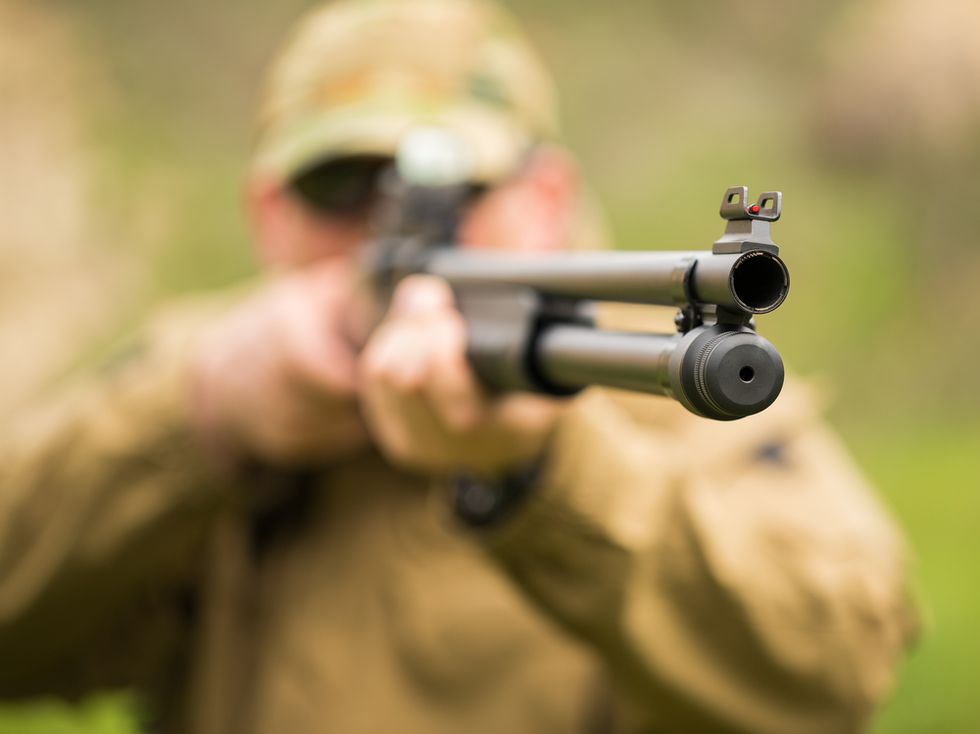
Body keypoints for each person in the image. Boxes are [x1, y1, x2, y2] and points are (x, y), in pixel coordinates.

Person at [0, 1, 918, 732]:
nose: (390, 230)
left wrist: (540, 473)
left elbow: (834, 676)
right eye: (338, 187)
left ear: (546, 200)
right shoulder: (207, 377)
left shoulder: (650, 382)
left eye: (457, 192)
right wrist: (198, 421)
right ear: (267, 212)